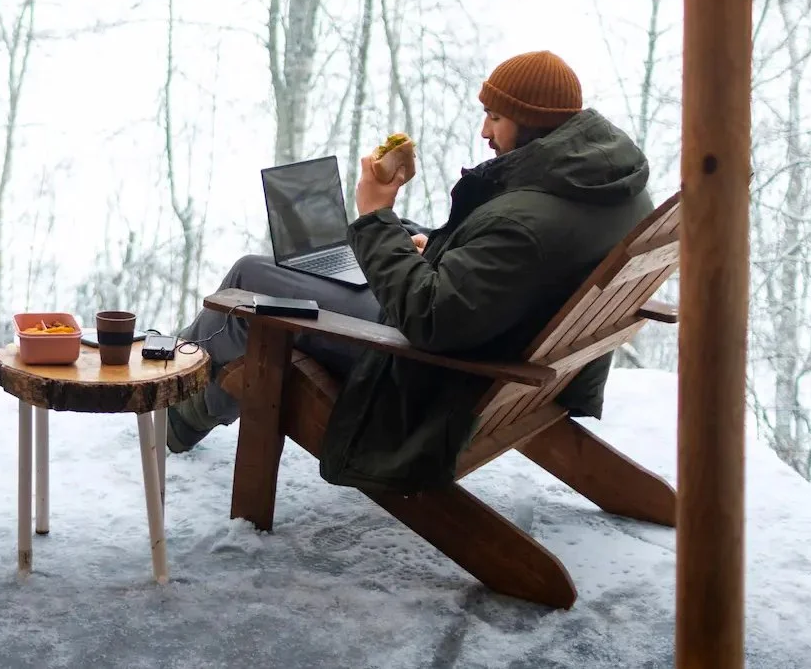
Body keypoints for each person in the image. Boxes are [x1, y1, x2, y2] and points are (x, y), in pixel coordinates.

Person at [166, 50, 654, 493]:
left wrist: (374, 214)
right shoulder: (607, 188)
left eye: (496, 116)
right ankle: (182, 383)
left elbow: (428, 319)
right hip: (500, 353)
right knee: (299, 274)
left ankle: (174, 403)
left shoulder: (526, 221)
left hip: (428, 377)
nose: (485, 132)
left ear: (532, 122)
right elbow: (506, 271)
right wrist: (435, 249)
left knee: (251, 281)